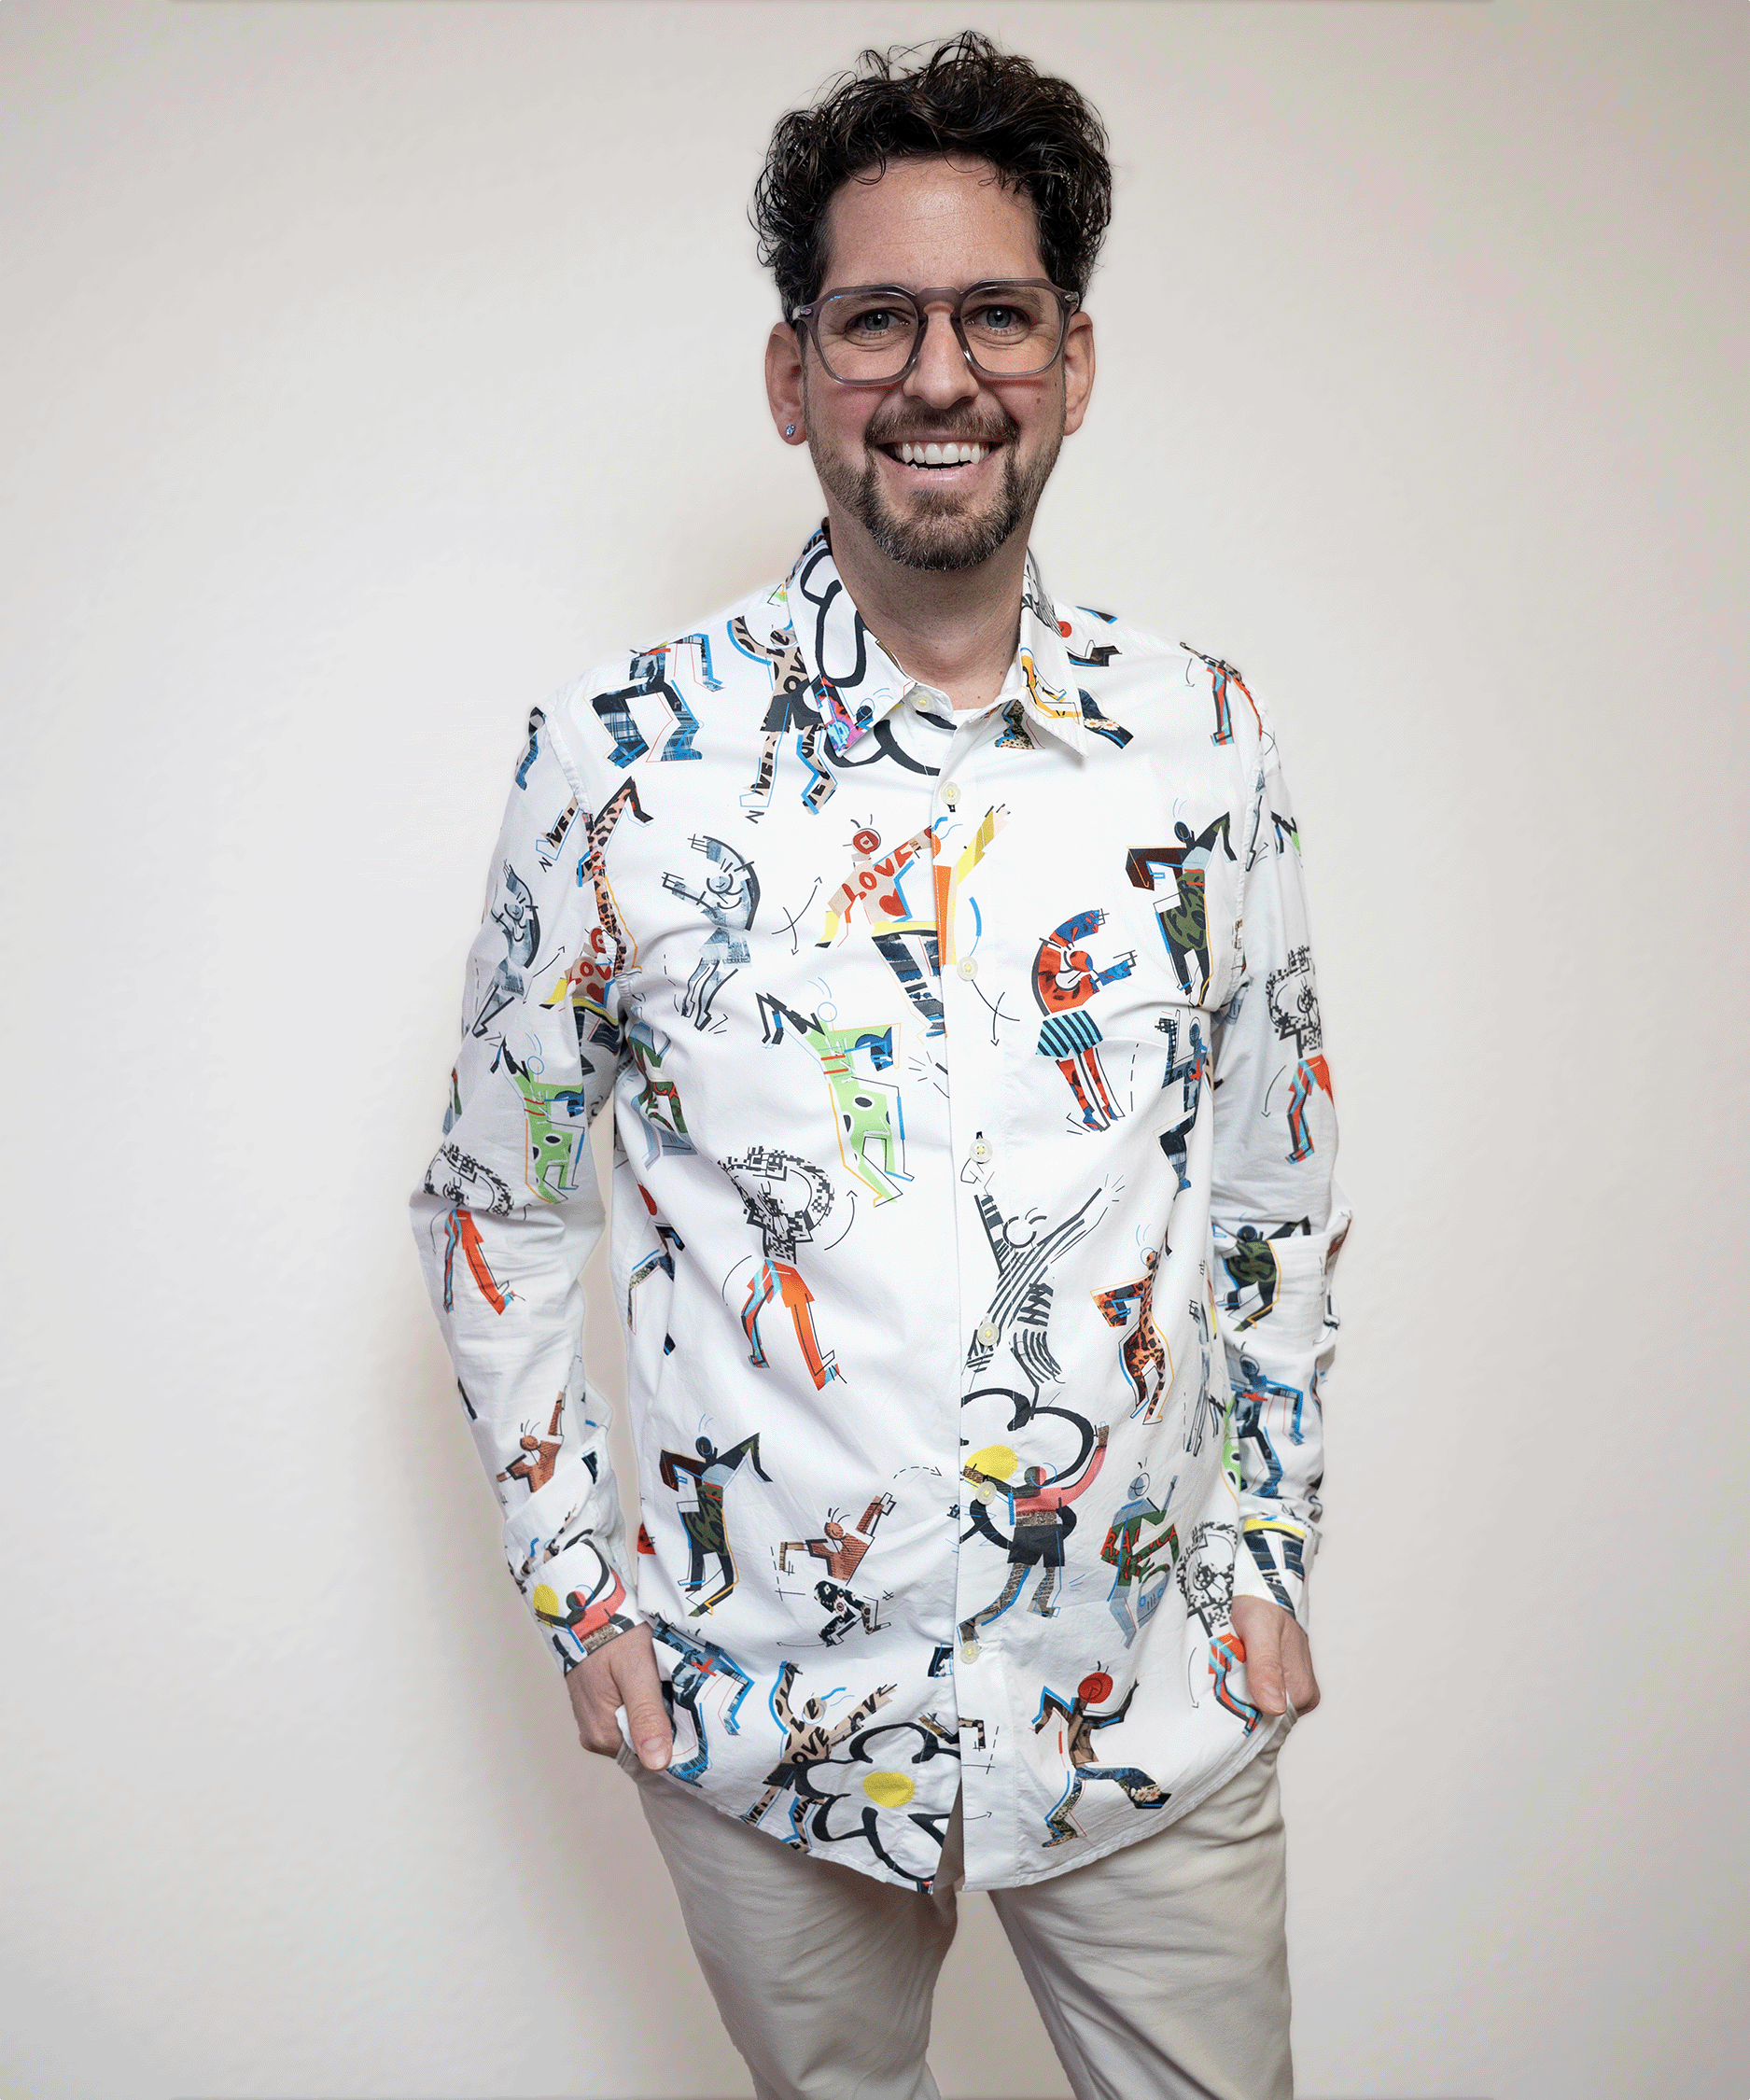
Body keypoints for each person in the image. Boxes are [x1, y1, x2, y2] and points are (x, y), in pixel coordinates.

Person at [410, 32, 1351, 2100]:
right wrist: (583, 1601)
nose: (940, 376)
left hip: (1140, 1697)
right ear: (793, 373)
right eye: (876, 321)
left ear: (1071, 362)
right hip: (763, 1723)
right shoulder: (615, 764)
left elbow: (1274, 1187)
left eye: (995, 315)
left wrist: (1266, 1561)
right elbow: (495, 1204)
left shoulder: (1207, 741)